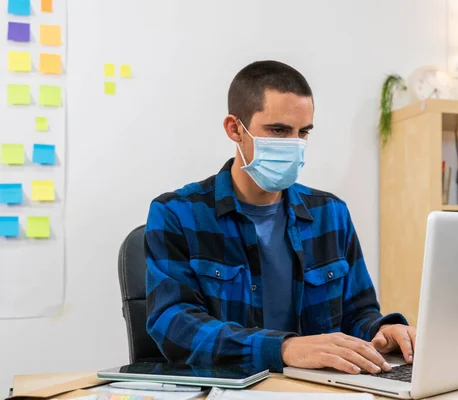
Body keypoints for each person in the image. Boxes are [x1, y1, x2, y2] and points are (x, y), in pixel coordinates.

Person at [144, 60, 416, 375]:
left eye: (303, 132)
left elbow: (357, 313)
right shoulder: (177, 213)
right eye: (279, 130)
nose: (294, 145)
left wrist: (380, 332)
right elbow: (174, 325)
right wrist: (283, 348)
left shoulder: (331, 214)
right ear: (235, 129)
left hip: (318, 389)